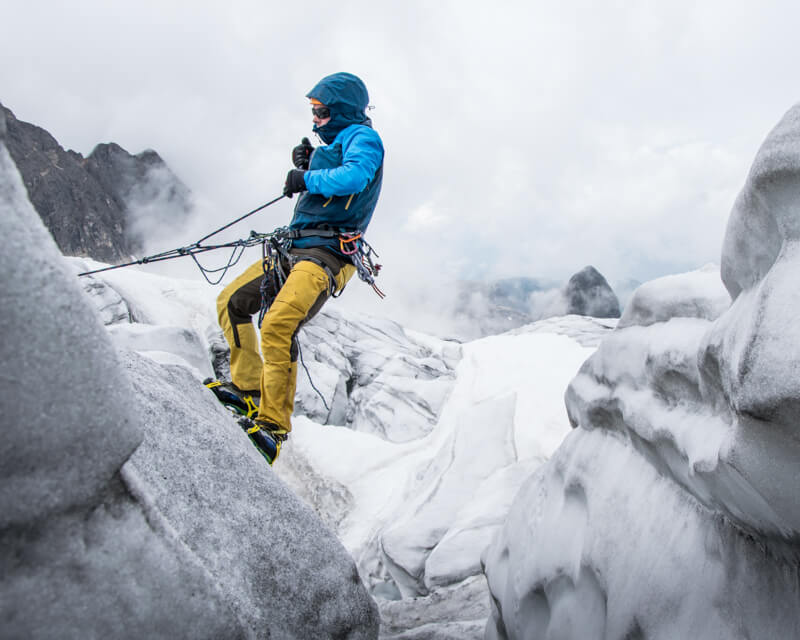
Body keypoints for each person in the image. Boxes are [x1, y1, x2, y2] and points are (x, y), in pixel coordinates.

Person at [213, 72, 384, 465]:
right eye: (314, 113)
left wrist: (306, 174)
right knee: (232, 302)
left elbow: (355, 175)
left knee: (277, 325)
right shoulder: (343, 141)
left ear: (341, 110)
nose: (315, 121)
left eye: (322, 112)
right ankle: (245, 391)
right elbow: (337, 169)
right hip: (295, 245)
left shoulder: (364, 138)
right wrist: (314, 160)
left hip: (328, 255)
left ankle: (273, 426)